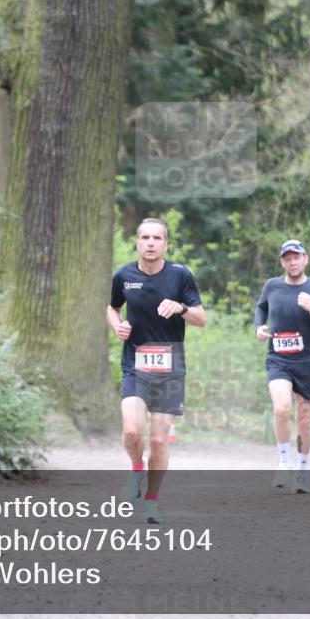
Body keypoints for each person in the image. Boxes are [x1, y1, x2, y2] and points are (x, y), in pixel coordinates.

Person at [107, 218, 206, 523]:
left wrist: (181, 308)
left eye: (156, 238)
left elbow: (201, 318)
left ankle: (152, 500)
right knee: (132, 431)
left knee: (159, 440)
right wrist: (117, 327)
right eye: (145, 237)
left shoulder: (180, 276)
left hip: (170, 367)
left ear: (166, 244)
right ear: (137, 242)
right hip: (134, 364)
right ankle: (136, 472)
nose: (150, 243)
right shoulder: (123, 275)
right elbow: (113, 307)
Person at [254, 239, 310, 493]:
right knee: (281, 409)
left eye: (296, 257)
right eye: (287, 258)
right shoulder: (272, 286)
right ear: (282, 262)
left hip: (307, 361)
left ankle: (302, 470)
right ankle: (284, 461)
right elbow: (261, 307)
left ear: (305, 259)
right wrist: (259, 326)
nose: (292, 262)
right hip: (278, 359)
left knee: (305, 419)